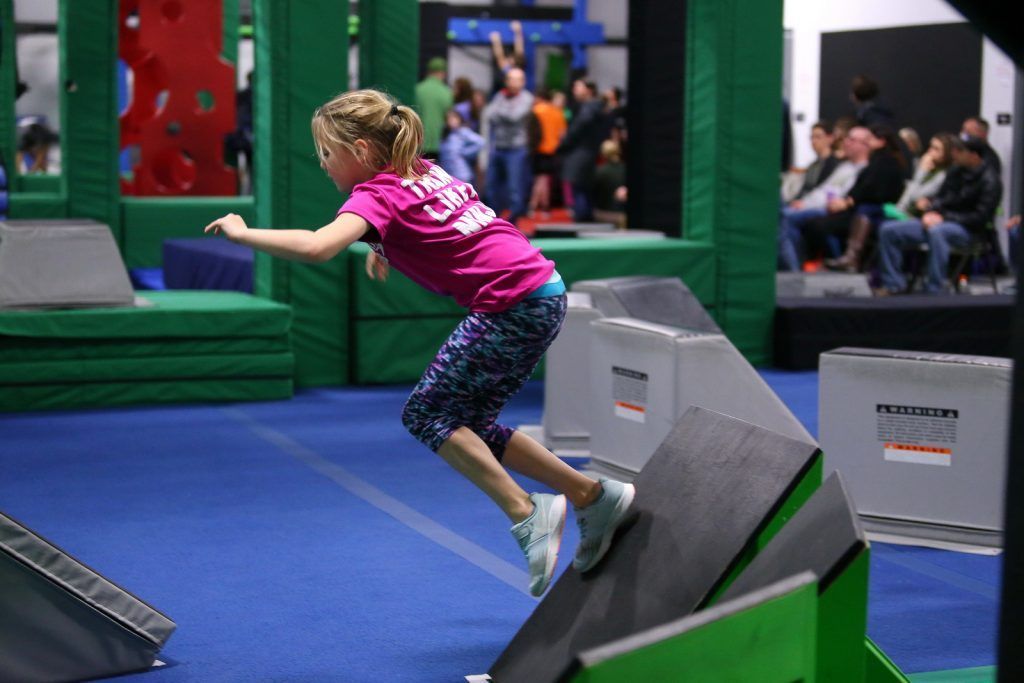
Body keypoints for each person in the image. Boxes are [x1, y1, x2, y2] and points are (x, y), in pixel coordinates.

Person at [203, 89, 636, 597]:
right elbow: (438, 221)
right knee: (472, 425)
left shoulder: (374, 196)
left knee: (427, 414)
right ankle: (592, 496)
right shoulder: (423, 170)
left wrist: (244, 233)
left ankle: (526, 511)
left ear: (361, 151)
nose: (322, 164)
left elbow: (319, 246)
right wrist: (382, 245)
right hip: (543, 290)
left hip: (511, 303)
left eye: (326, 152)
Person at [875, 135, 1003, 295]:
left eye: (960, 151)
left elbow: (980, 218)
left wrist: (944, 218)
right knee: (889, 230)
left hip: (969, 231)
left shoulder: (990, 181)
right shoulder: (956, 171)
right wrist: (930, 211)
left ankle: (934, 289)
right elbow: (941, 199)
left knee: (938, 232)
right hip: (941, 221)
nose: (955, 154)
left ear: (974, 155)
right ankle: (893, 285)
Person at [813, 124, 906, 272]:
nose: (867, 142)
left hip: (878, 210)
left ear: (881, 141)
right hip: (861, 208)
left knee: (829, 222)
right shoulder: (876, 160)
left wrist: (850, 201)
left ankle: (850, 257)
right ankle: (845, 258)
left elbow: (875, 191)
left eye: (871, 138)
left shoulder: (886, 163)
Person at [485, 67, 534, 225]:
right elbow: (489, 115)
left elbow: (514, 117)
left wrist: (499, 112)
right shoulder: (500, 96)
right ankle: (494, 223)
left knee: (515, 189)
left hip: (516, 149)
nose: (513, 82)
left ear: (523, 82)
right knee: (492, 188)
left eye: (517, 79)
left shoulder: (527, 98)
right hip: (498, 148)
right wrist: (502, 113)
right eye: (510, 79)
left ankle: (513, 223)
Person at [557, 79, 606, 222]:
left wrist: (565, 141)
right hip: (586, 152)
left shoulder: (589, 108)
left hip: (581, 152)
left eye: (578, 87)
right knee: (582, 187)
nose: (575, 90)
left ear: (588, 90)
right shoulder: (590, 107)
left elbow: (578, 128)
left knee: (578, 187)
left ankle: (582, 220)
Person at [528, 88, 567, 218]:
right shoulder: (558, 112)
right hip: (553, 150)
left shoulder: (536, 110)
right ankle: (540, 206)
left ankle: (535, 206)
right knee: (543, 179)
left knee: (541, 179)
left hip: (539, 149)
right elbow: (562, 133)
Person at [414, 57, 453, 159]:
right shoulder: (447, 92)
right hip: (437, 143)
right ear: (443, 73)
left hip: (417, 141)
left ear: (428, 71)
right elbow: (450, 119)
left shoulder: (417, 89)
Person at [438, 109, 484, 184]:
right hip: (448, 175)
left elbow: (480, 142)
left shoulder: (463, 131)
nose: (451, 121)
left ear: (459, 119)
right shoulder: (446, 134)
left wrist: (465, 152)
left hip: (461, 173)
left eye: (454, 118)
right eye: (449, 118)